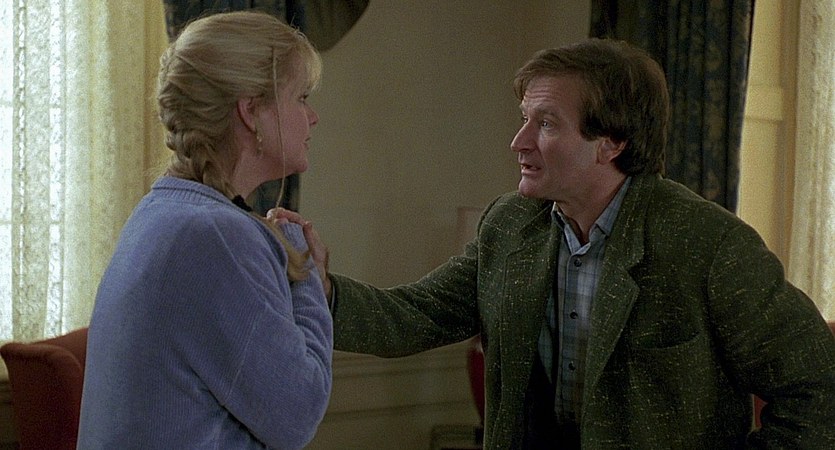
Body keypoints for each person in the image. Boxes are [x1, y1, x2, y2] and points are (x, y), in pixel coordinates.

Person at [278, 38, 835, 448]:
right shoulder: (510, 225)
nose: (518, 142)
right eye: (525, 119)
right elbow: (417, 315)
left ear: (611, 142)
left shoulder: (709, 244)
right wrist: (319, 286)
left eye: (546, 124)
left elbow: (817, 389)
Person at [77, 11, 331, 449]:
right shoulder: (215, 238)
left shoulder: (163, 211)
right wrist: (307, 273)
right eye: (301, 97)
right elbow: (298, 415)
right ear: (251, 112)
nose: (313, 117)